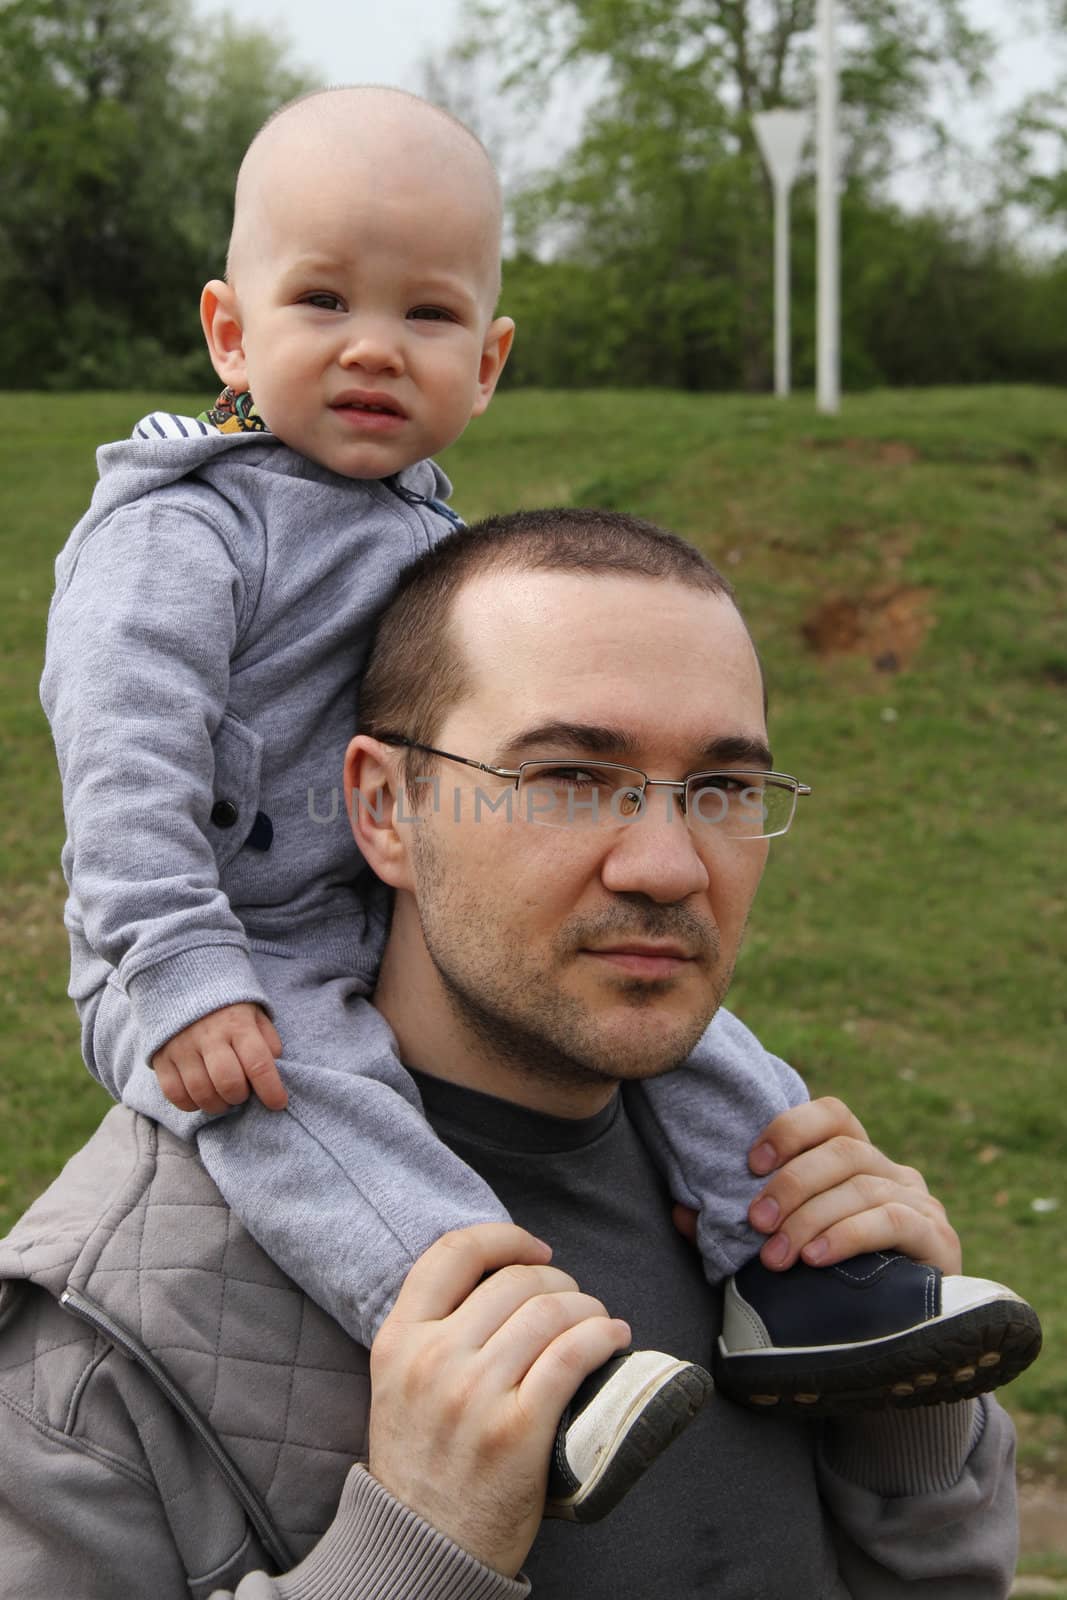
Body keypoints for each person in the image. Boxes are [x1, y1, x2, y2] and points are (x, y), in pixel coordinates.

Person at [38, 84, 1037, 1525]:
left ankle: (801, 1283)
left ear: (490, 360)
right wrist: (176, 965)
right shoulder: (182, 527)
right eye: (320, 299)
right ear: (228, 332)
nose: (375, 344)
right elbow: (122, 758)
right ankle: (514, 1355)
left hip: (371, 910)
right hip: (217, 953)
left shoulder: (427, 535)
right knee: (310, 1109)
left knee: (692, 1032)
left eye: (428, 317)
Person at [3, 509, 1022, 1596]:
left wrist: (904, 1425)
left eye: (721, 790)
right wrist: (412, 1553)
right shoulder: (96, 1342)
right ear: (384, 805)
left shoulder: (773, 1215)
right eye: (572, 778)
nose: (668, 865)